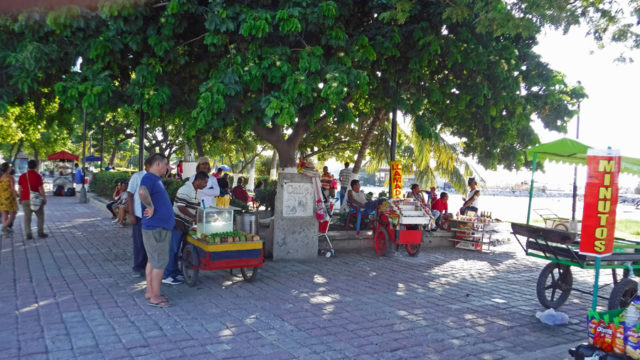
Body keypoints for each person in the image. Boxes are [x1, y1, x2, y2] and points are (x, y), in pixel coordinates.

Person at [139, 153, 174, 307]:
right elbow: (142, 192)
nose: (168, 167)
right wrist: (150, 206)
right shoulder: (149, 178)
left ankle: (150, 291)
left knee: (153, 261)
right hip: (156, 228)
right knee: (159, 262)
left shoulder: (155, 179)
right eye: (166, 164)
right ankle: (155, 296)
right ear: (159, 164)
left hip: (157, 227)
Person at [163, 171, 209, 285]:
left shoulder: (198, 193)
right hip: (177, 222)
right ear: (198, 181)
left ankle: (175, 271)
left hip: (186, 224)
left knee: (180, 249)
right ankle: (167, 275)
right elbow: (181, 207)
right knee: (173, 249)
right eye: (205, 182)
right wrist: (193, 217)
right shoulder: (185, 189)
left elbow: (196, 209)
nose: (206, 185)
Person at [127, 158, 151, 277]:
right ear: (147, 165)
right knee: (139, 242)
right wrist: (131, 214)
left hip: (151, 216)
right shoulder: (137, 177)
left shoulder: (156, 178)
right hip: (139, 215)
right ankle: (138, 267)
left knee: (149, 243)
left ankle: (147, 266)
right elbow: (129, 195)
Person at [18, 160, 47, 239]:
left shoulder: (22, 176)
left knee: (27, 217)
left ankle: (28, 233)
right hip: (36, 199)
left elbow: (20, 189)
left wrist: (20, 198)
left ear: (28, 166)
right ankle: (40, 232)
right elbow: (40, 189)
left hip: (25, 199)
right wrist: (44, 198)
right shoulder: (37, 176)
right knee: (40, 215)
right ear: (35, 166)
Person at [0, 162, 19, 234]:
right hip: (9, 199)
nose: (10, 168)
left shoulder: (0, 177)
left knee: (4, 215)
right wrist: (17, 196)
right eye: (9, 167)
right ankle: (4, 227)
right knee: (12, 214)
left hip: (1, 199)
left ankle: (5, 231)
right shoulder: (10, 177)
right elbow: (13, 189)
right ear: (7, 169)